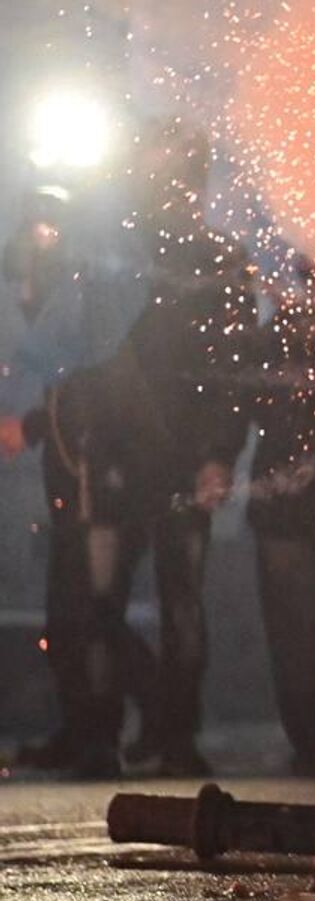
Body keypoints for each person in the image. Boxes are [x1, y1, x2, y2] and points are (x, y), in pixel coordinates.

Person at [47, 123, 256, 778]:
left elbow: (234, 370)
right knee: (99, 599)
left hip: (183, 458)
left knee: (182, 604)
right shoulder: (115, 255)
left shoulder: (219, 261)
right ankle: (100, 732)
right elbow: (84, 356)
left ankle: (173, 733)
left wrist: (219, 454)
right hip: (110, 457)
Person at [0, 187, 161, 775]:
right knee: (68, 611)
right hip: (77, 476)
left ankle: (120, 729)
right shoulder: (60, 314)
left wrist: (36, 424)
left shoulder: (96, 311)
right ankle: (81, 728)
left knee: (95, 611)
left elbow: (97, 399)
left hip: (105, 478)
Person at [248, 254, 315, 775]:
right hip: (292, 498)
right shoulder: (280, 334)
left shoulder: (296, 333)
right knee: (297, 628)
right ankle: (311, 737)